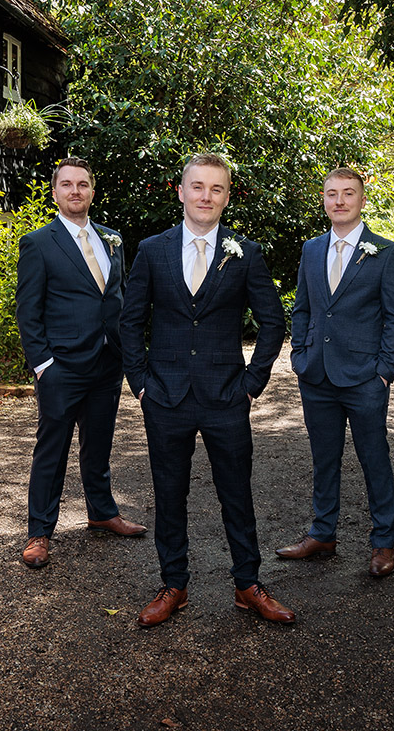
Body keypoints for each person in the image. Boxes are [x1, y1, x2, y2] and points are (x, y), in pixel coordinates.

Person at [119, 153, 293, 627]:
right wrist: (140, 385)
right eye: (197, 187)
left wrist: (252, 384)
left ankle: (247, 585)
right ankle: (173, 585)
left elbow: (274, 321)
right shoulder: (153, 249)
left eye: (216, 189)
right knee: (169, 494)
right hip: (165, 396)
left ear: (227, 196)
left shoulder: (246, 252)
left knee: (236, 493)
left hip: (226, 396)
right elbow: (131, 321)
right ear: (180, 191)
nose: (206, 196)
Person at [275, 167, 394, 577]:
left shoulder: (384, 252)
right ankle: (322, 533)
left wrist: (384, 370)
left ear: (362, 199)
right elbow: (303, 308)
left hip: (365, 378)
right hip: (316, 374)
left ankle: (383, 543)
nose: (339, 201)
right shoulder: (311, 249)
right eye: (332, 193)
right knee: (324, 459)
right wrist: (300, 356)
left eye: (348, 193)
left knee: (374, 459)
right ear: (323, 199)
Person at [14, 157, 147, 569]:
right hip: (62, 367)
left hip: (107, 362)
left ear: (92, 191)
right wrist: (43, 365)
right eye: (67, 185)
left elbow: (119, 299)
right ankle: (39, 531)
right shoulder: (39, 243)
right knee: (51, 450)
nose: (75, 191)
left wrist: (127, 353)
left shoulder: (113, 239)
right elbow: (28, 311)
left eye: (83, 184)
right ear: (55, 192)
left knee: (100, 444)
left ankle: (102, 512)